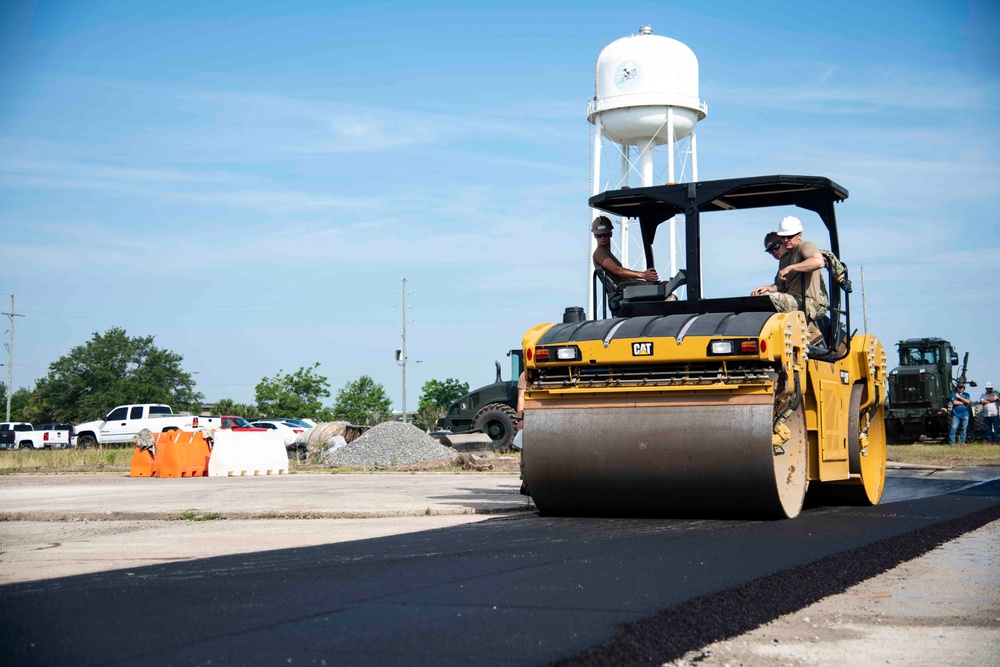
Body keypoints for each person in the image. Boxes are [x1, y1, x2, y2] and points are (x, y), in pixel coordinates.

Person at [751, 216, 829, 321]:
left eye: (789, 236)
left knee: (767, 298)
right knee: (761, 295)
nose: (786, 240)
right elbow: (780, 285)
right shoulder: (785, 259)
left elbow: (819, 262)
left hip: (809, 302)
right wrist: (770, 288)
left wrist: (790, 268)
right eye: (783, 237)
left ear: (799, 235)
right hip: (794, 300)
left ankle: (811, 332)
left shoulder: (805, 246)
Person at [592, 216, 658, 288]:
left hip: (628, 289)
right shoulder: (600, 253)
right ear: (595, 236)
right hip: (624, 291)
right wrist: (643, 275)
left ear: (610, 234)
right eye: (599, 235)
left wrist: (647, 281)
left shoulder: (606, 253)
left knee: (664, 285)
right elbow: (617, 270)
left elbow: (627, 280)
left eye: (605, 234)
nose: (603, 238)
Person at [515, 370, 529, 495]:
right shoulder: (526, 375)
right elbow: (521, 398)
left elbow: (521, 397)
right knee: (525, 451)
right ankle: (526, 482)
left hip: (530, 416)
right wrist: (520, 419)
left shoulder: (526, 374)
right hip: (530, 417)